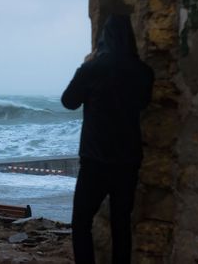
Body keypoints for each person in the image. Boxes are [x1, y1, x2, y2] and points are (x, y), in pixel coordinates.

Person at [61, 14, 154, 264]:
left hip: (95, 159)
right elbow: (144, 102)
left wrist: (85, 65)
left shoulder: (93, 68)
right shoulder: (143, 72)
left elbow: (68, 101)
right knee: (121, 223)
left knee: (81, 221)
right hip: (129, 160)